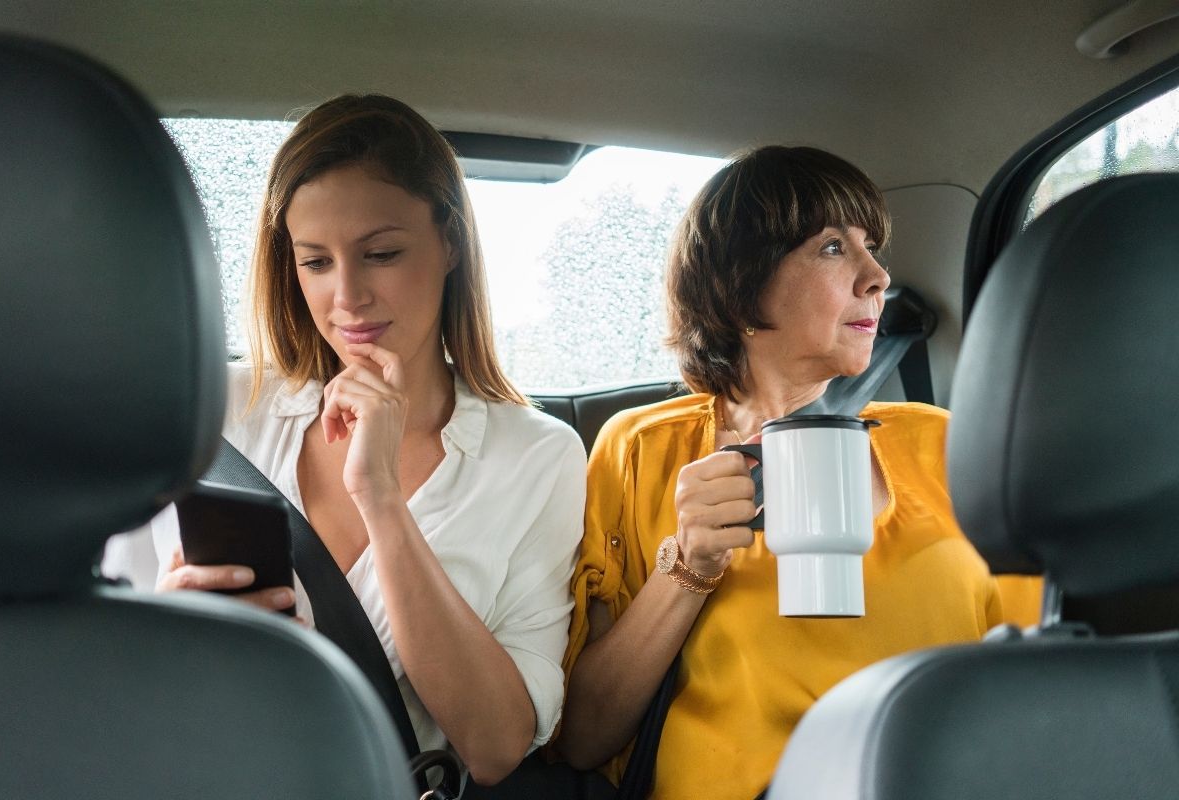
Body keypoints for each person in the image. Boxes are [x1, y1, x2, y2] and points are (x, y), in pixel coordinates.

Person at [102, 94, 586, 787]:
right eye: (316, 263)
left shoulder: (538, 455)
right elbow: (104, 671)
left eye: (381, 253)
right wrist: (172, 626)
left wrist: (381, 499)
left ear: (449, 243)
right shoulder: (214, 409)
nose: (347, 297)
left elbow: (496, 747)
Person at [554, 145, 1041, 799]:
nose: (877, 277)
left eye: (873, 247)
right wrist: (688, 570)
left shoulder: (945, 441)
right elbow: (586, 738)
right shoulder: (642, 449)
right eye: (833, 248)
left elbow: (1033, 680)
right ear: (740, 284)